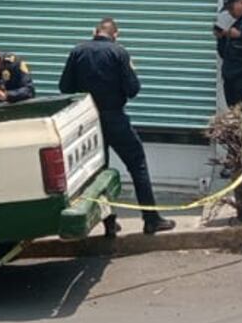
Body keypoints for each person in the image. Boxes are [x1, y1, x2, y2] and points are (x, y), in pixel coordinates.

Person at [59, 18, 176, 236]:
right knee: (137, 165)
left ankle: (110, 223)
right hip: (115, 118)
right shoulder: (119, 53)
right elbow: (133, 89)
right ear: (116, 34)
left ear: (95, 31)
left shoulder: (77, 52)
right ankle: (151, 219)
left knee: (99, 172)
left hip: (89, 121)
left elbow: (65, 87)